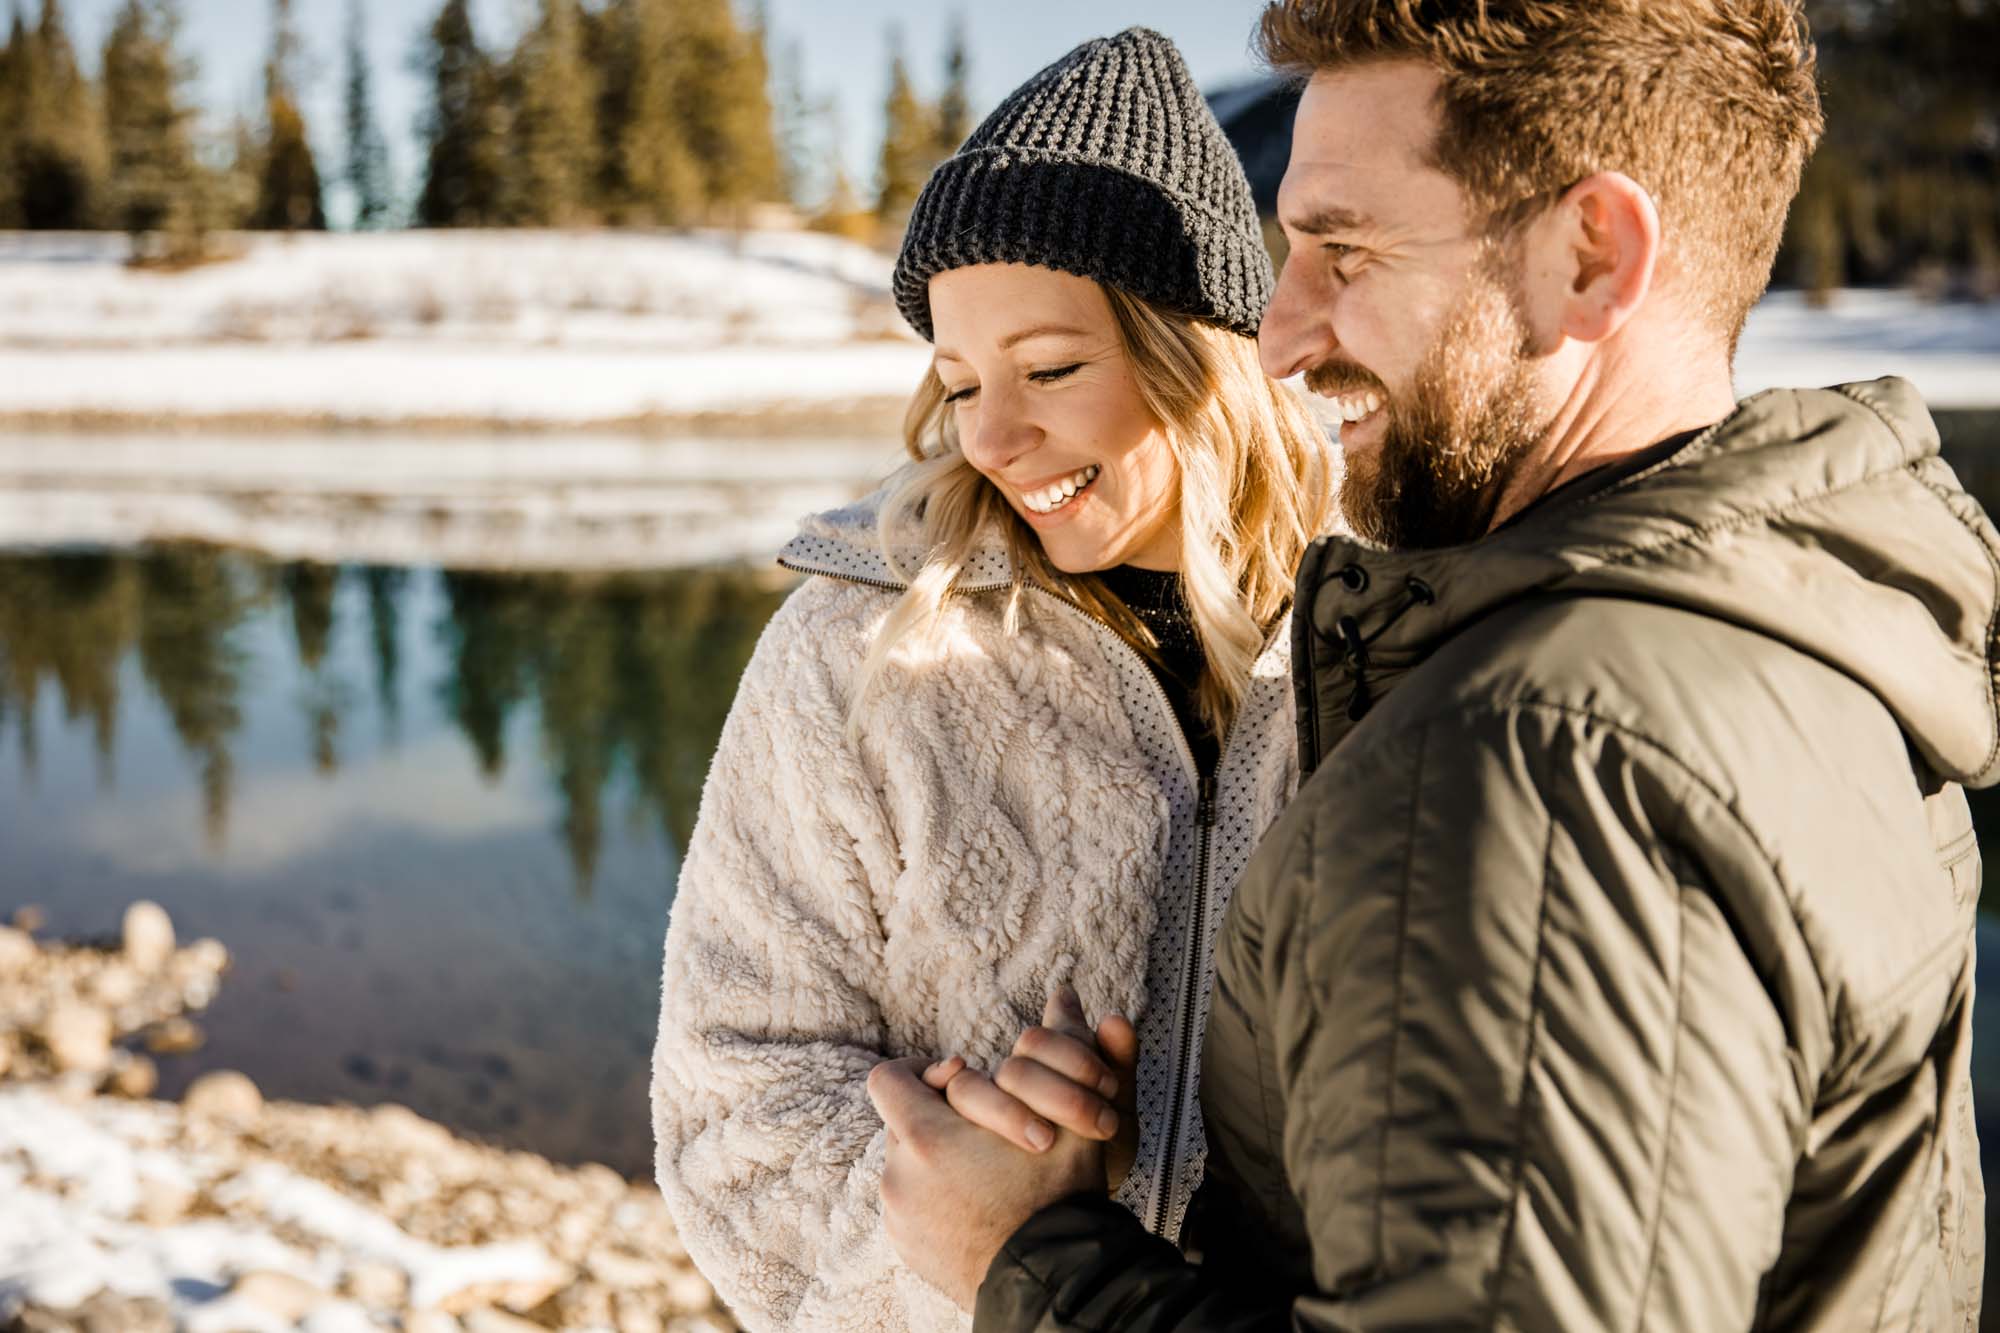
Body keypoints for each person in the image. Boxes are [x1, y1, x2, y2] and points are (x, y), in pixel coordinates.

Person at [868, 1, 1994, 1327]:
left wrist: (1030, 1258)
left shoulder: (1543, 755)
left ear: (1590, 257)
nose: (1280, 336)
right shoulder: (1806, 627)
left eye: (1343, 250)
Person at [649, 27, 1335, 1332]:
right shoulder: (859, 655)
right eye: (960, 383)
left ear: (1206, 352)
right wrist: (983, 1241)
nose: (995, 438)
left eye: (1053, 369)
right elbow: (733, 1106)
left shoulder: (1383, 634)